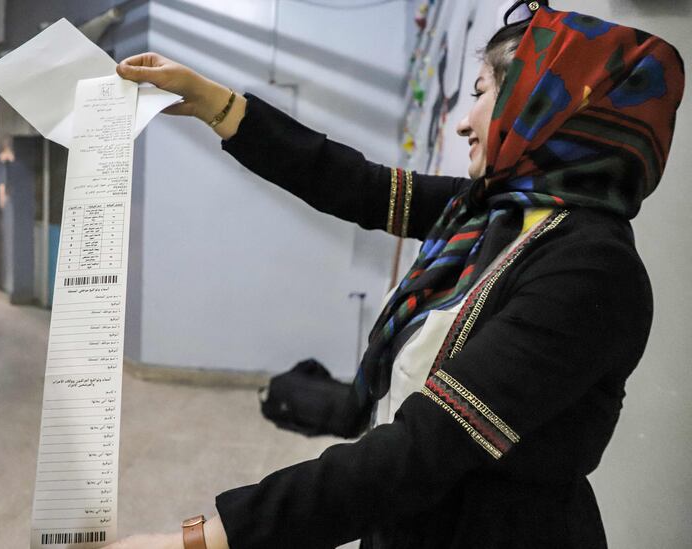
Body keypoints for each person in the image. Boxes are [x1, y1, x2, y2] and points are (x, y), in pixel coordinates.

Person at [106, 3, 684, 548]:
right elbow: (356, 184)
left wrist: (206, 538)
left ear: (542, 111)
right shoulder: (493, 211)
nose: (463, 122)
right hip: (416, 522)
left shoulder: (589, 269)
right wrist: (210, 100)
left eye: (481, 94)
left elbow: (423, 450)